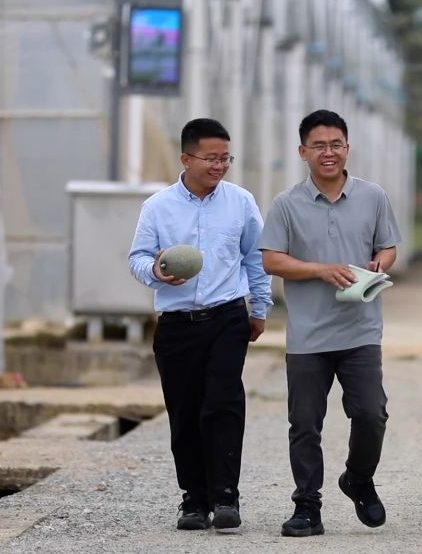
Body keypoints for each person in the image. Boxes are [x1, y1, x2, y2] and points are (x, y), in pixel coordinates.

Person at [260, 109, 402, 537]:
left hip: (360, 329)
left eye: (336, 144)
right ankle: (307, 506)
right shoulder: (287, 204)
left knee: (372, 413)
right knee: (305, 423)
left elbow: (388, 247)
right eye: (319, 145)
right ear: (303, 151)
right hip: (308, 335)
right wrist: (321, 270)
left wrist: (379, 263)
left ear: (347, 148)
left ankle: (358, 477)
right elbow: (272, 260)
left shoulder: (373, 196)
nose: (329, 152)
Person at [128, 118, 272, 531]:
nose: (220, 166)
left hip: (227, 317)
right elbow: (137, 258)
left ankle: (226, 497)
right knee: (185, 410)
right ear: (186, 159)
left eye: (226, 158)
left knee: (223, 404)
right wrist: (156, 271)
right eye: (211, 158)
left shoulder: (240, 202)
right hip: (176, 324)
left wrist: (259, 308)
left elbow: (255, 257)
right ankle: (194, 499)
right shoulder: (157, 207)